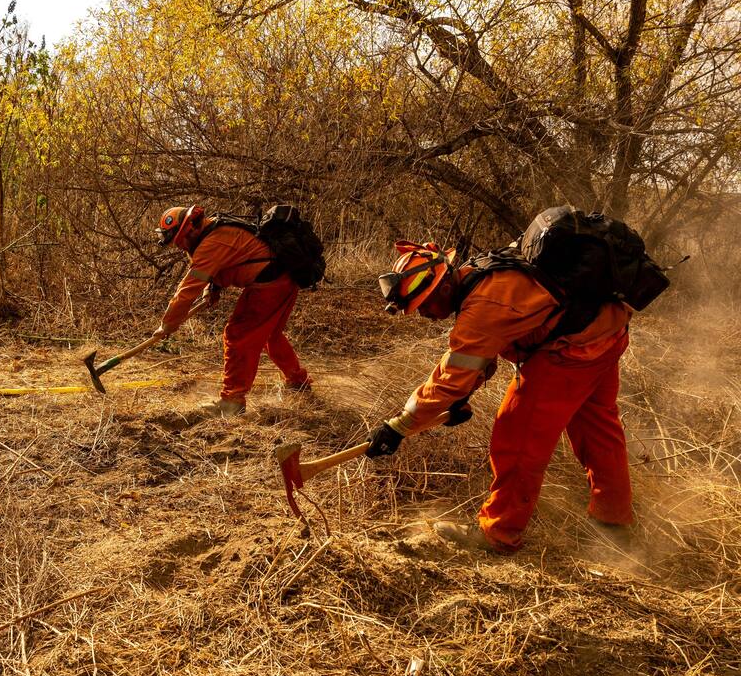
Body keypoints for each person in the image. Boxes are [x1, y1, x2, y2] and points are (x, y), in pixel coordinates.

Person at [369, 240, 634, 553]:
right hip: (607, 330)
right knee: (597, 426)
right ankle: (613, 520)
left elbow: (452, 374)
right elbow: (484, 353)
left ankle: (498, 532)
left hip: (571, 349)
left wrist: (399, 426)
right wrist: (459, 399)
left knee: (517, 436)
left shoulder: (483, 305)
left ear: (441, 286)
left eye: (424, 304)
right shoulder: (483, 275)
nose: (424, 314)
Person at [154, 205, 311, 417]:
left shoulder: (212, 242)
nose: (179, 246)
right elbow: (229, 262)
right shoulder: (216, 231)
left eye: (178, 240)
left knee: (237, 336)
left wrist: (168, 324)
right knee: (270, 336)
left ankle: (232, 401)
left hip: (270, 284)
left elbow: (187, 291)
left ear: (188, 231)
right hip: (285, 278)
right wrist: (213, 288)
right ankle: (297, 382)